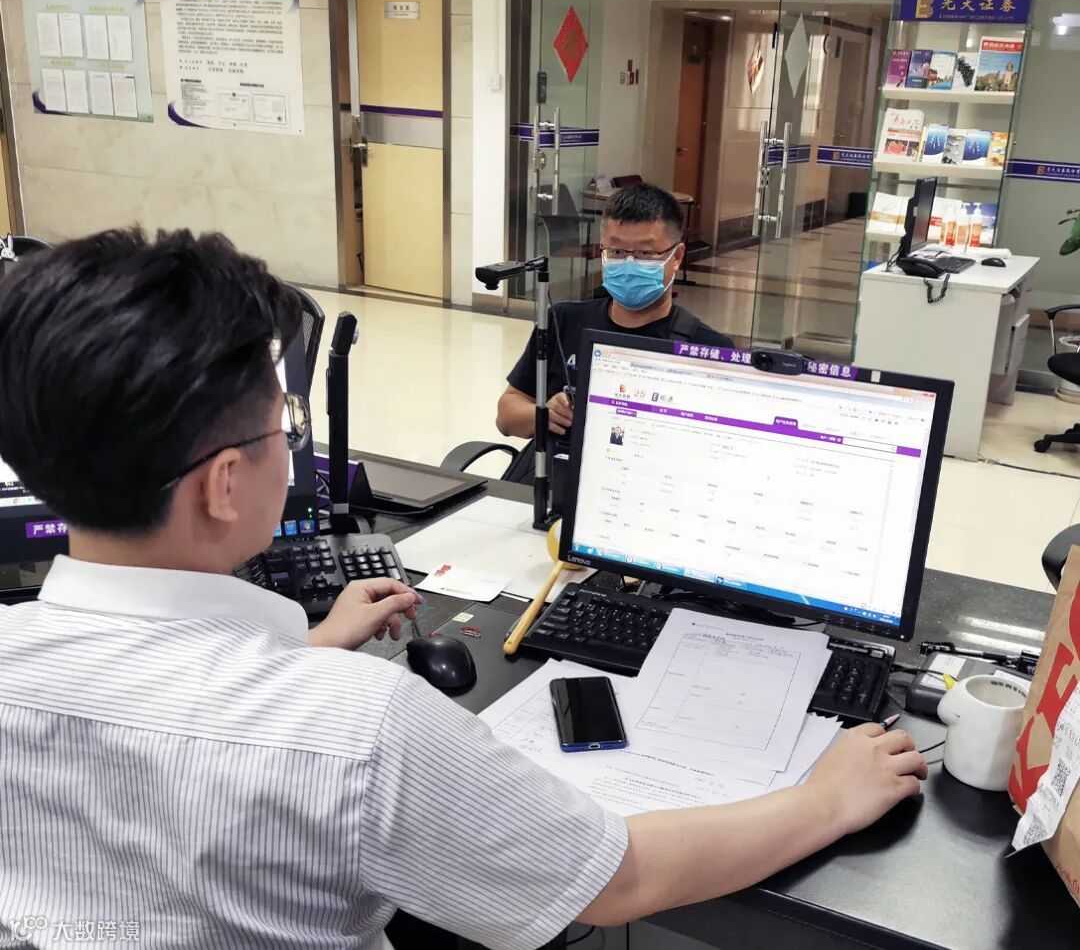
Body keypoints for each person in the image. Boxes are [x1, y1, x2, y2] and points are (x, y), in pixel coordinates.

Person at [0, 228, 927, 950]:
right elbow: (621, 880)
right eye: (282, 425)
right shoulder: (358, 728)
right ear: (225, 484)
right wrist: (827, 799)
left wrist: (302, 652)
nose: (295, 445)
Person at [497, 183, 735, 441]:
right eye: (617, 251)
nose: (629, 263)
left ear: (677, 256)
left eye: (645, 253)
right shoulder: (564, 321)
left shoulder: (709, 349)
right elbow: (506, 415)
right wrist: (543, 415)